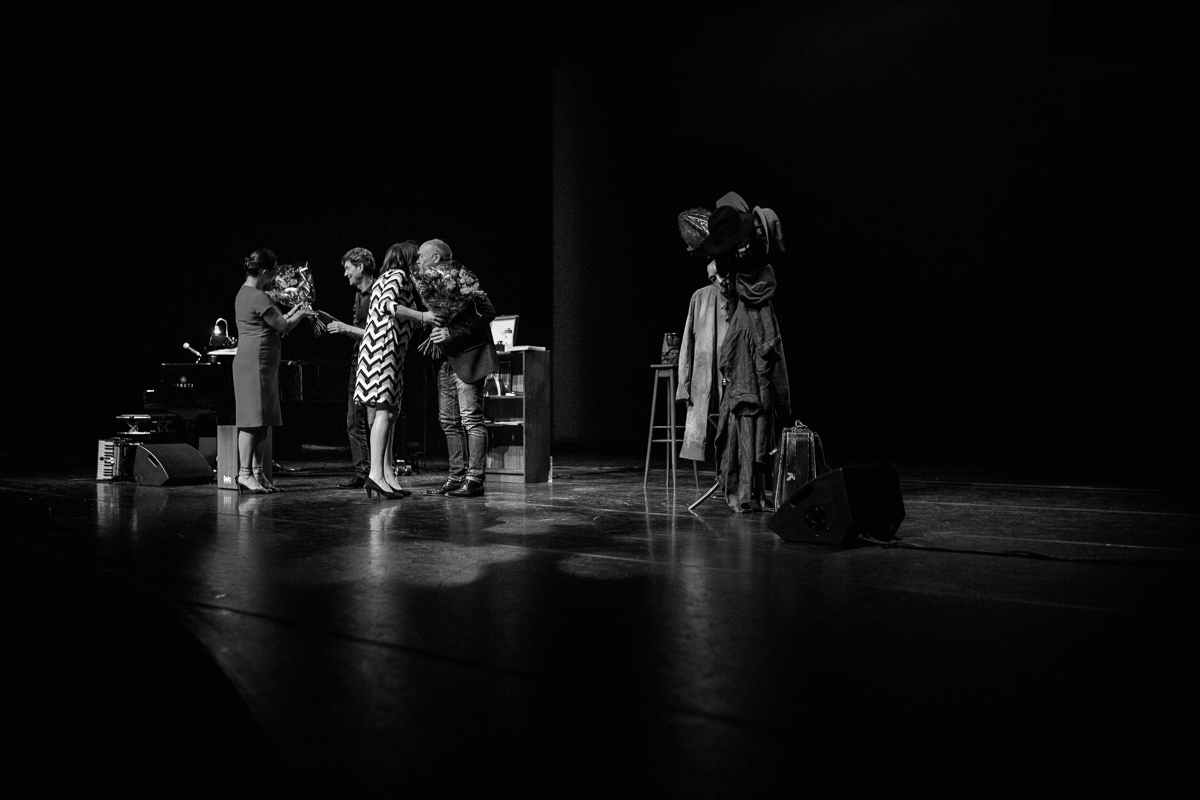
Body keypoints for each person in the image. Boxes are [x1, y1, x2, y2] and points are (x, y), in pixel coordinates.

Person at [690, 198, 792, 512]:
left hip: (754, 332)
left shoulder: (759, 248)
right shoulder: (727, 272)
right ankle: (749, 489)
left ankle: (754, 489)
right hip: (745, 342)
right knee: (745, 416)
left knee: (755, 411)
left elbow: (763, 345)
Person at [351, 243, 440, 499]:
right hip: (383, 350)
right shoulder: (397, 276)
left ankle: (387, 475)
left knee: (390, 412)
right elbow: (388, 306)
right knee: (383, 411)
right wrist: (423, 317)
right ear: (407, 259)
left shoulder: (388, 278)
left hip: (389, 350)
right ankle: (376, 476)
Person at [418, 240, 499, 498]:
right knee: (448, 421)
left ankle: (475, 478)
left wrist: (450, 332)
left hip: (468, 357)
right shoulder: (430, 282)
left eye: (422, 255)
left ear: (437, 256)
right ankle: (456, 476)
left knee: (470, 419)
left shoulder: (463, 276)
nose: (418, 260)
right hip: (446, 360)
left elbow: (487, 311)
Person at [232, 248, 315, 494]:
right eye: (275, 271)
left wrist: (295, 309)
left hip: (263, 363)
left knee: (264, 420)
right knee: (251, 420)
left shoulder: (249, 293)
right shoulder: (257, 297)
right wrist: (302, 311)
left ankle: (258, 473)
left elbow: (275, 324)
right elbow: (283, 325)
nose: (276, 276)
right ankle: (244, 473)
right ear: (266, 271)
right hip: (254, 363)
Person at [325, 253, 376, 489]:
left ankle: (377, 471)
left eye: (348, 268)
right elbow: (359, 331)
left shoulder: (378, 293)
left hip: (374, 364)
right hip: (358, 361)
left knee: (374, 420)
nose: (345, 273)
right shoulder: (358, 295)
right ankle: (362, 471)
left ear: (361, 266)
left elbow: (377, 333)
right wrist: (335, 325)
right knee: (353, 421)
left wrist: (346, 327)